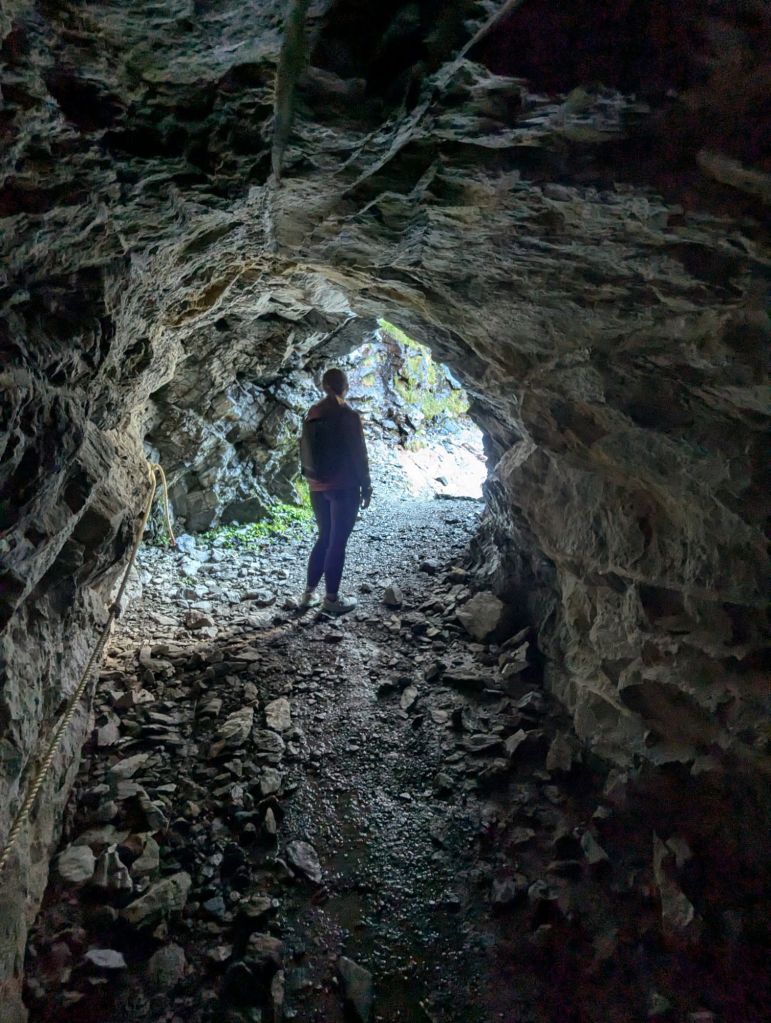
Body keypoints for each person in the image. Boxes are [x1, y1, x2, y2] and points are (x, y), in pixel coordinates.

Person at [299, 368, 372, 615]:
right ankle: (331, 598)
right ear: (345, 386)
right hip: (344, 487)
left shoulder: (313, 413)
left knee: (324, 537)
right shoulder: (347, 415)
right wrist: (367, 486)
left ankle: (308, 594)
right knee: (337, 542)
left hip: (317, 486)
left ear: (323, 386)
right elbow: (359, 454)